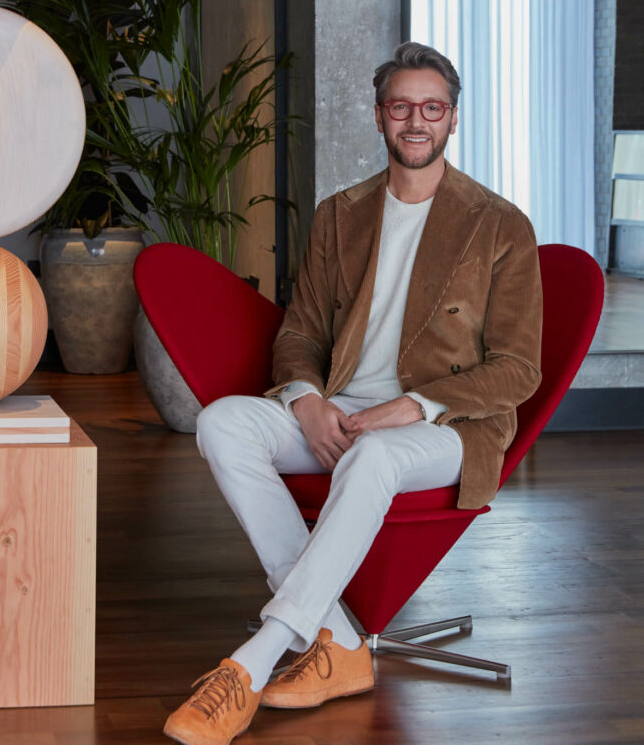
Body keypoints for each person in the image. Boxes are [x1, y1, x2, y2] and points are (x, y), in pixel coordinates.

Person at [163, 42, 543, 745]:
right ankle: (334, 639)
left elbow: (518, 368)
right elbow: (298, 332)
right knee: (223, 423)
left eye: (431, 108)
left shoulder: (498, 225)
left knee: (374, 460)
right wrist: (307, 399)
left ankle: (250, 663)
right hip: (340, 413)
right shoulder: (340, 215)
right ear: (378, 117)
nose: (415, 121)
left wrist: (412, 406)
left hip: (446, 429)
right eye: (401, 107)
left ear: (452, 119)